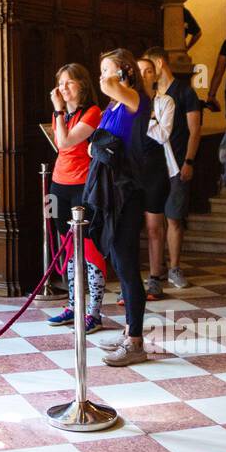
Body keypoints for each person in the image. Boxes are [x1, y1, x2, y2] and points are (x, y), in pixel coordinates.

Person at [91, 49, 155, 366]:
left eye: (107, 69)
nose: (102, 75)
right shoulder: (115, 103)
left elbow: (109, 86)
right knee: (118, 260)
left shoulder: (134, 100)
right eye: (100, 69)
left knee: (128, 267)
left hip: (128, 191)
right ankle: (130, 328)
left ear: (126, 72)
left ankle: (135, 342)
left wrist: (114, 78)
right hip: (110, 189)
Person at [46, 64, 105, 333]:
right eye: (61, 83)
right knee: (67, 247)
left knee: (89, 247)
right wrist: (60, 112)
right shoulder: (62, 114)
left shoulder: (93, 112)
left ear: (82, 85)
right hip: (59, 182)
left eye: (70, 83)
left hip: (83, 185)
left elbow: (67, 141)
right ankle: (73, 305)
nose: (64, 88)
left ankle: (94, 312)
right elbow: (61, 143)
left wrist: (59, 111)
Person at [143, 46, 202, 290]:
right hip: (153, 166)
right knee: (154, 222)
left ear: (158, 63)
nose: (146, 74)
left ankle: (175, 267)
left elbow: (195, 129)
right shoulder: (150, 95)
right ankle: (157, 269)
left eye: (148, 68)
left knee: (174, 217)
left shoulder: (185, 92)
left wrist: (189, 160)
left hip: (177, 162)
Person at [138, 56, 172, 299]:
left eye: (149, 70)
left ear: (155, 74)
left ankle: (155, 277)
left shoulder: (165, 102)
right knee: (129, 227)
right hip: (132, 169)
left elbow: (162, 135)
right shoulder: (124, 104)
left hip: (156, 168)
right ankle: (130, 281)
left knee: (154, 227)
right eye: (140, 71)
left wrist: (145, 114)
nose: (144, 75)